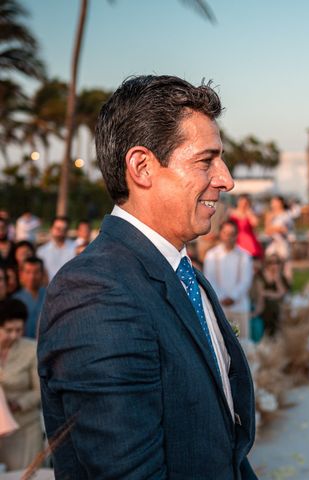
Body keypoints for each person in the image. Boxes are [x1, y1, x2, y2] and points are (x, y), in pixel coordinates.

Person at [37, 75, 257, 479]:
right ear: (142, 166)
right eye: (206, 160)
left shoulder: (182, 273)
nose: (226, 179)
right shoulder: (96, 293)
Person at [0, 298, 43, 471]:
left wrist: (18, 404)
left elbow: (40, 390)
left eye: (19, 330)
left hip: (25, 428)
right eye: (8, 330)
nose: (14, 335)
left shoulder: (31, 349)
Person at [203, 221, 254, 341]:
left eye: (232, 233)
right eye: (225, 233)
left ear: (237, 235)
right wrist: (221, 297)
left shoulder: (244, 255)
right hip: (218, 307)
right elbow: (209, 279)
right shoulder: (212, 255)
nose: (229, 237)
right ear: (220, 234)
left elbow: (246, 280)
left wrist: (233, 297)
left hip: (240, 306)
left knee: (243, 342)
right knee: (220, 342)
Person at [252, 254, 289, 337]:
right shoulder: (260, 276)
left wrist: (277, 279)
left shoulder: (282, 278)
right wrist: (276, 294)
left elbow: (283, 294)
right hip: (263, 306)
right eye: (271, 262)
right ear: (267, 264)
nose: (274, 265)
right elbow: (261, 293)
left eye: (277, 262)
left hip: (279, 308)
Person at [12, 257, 46, 339]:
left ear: (42, 274)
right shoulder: (15, 299)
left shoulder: (50, 295)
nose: (32, 277)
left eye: (36, 272)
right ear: (21, 274)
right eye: (28, 272)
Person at [36, 216, 77, 280]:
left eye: (64, 229)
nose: (61, 232)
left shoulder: (76, 248)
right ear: (51, 229)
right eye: (58, 229)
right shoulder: (41, 251)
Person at [264, 195, 294, 281]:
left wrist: (274, 229)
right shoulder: (269, 215)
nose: (273, 204)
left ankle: (286, 286)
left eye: (275, 202)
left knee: (285, 268)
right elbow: (267, 230)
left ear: (281, 203)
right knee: (271, 268)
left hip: (283, 244)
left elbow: (285, 229)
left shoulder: (287, 215)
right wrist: (276, 228)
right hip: (272, 245)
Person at [228, 194, 263, 259]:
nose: (243, 205)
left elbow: (255, 223)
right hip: (235, 239)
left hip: (247, 240)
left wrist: (249, 212)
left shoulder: (249, 213)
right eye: (241, 202)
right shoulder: (231, 212)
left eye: (245, 203)